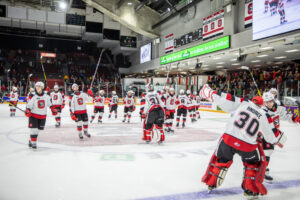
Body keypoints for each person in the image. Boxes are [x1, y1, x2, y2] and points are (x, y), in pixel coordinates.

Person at [200, 84, 286, 198]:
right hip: (247, 146)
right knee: (252, 165)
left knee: (221, 160)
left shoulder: (243, 102)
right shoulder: (264, 115)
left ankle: (211, 182)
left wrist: (209, 92)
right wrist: (281, 139)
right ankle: (250, 191)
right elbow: (271, 136)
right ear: (261, 105)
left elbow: (225, 98)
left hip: (228, 140)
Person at [261, 91, 300, 181]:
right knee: (267, 152)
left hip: (273, 133)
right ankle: (262, 172)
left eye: (270, 101)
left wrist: (295, 118)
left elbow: (286, 115)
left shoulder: (278, 107)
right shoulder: (262, 110)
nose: (269, 104)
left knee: (267, 152)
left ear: (273, 100)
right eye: (266, 102)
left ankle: (262, 170)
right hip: (264, 133)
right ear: (264, 102)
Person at [25, 82, 57, 149]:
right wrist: (28, 110)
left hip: (42, 115)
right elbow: (29, 105)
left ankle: (31, 140)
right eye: (36, 86)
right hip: (33, 115)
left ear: (42, 87)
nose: (37, 88)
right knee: (34, 130)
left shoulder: (46, 96)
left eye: (39, 86)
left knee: (39, 130)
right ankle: (34, 143)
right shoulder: (33, 95)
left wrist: (53, 109)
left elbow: (50, 104)